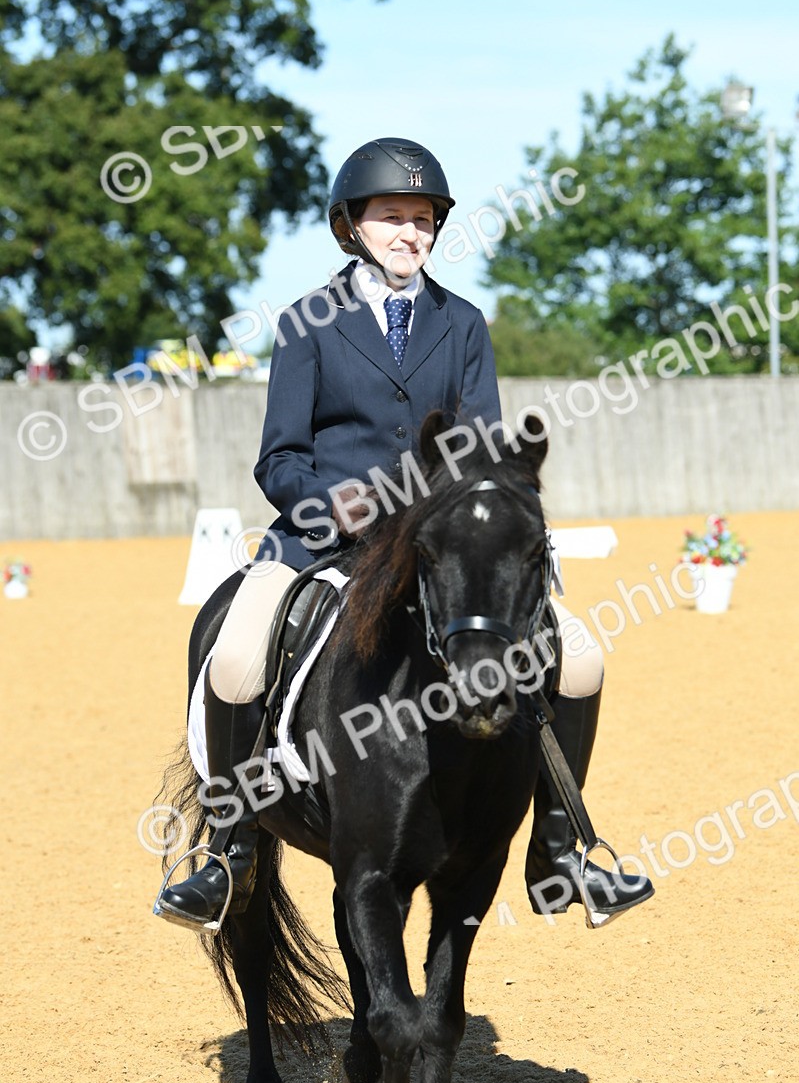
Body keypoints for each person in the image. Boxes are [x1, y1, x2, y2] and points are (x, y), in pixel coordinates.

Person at [157, 137, 653, 931]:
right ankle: (227, 850)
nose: (408, 233)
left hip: (438, 544)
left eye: (421, 220)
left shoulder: (461, 323)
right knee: (240, 657)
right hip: (324, 540)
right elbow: (277, 458)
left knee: (582, 657)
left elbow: (481, 448)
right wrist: (334, 504)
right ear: (351, 226)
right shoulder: (306, 323)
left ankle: (561, 849)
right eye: (391, 217)